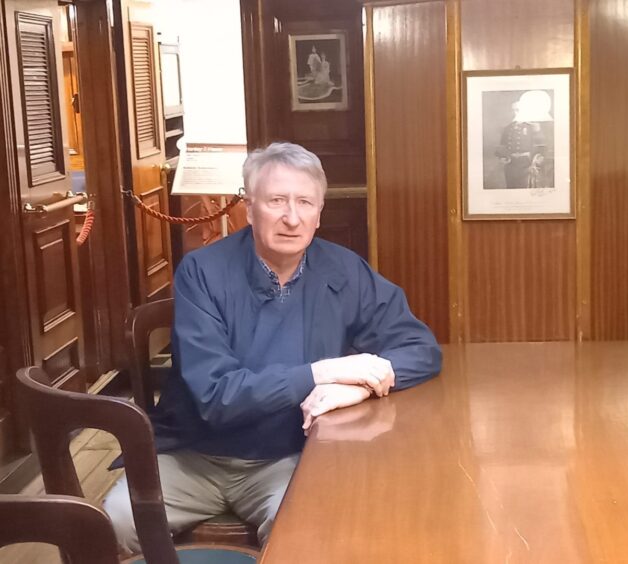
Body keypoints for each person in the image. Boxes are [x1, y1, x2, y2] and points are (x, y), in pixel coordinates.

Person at [103, 142, 442, 553]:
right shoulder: (203, 271)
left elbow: (420, 348)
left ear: (320, 213)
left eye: (305, 202)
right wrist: (324, 372)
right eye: (276, 201)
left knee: (307, 534)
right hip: (193, 455)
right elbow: (216, 396)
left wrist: (362, 386)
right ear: (249, 208)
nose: (292, 218)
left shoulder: (344, 270)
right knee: (114, 525)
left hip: (290, 456)